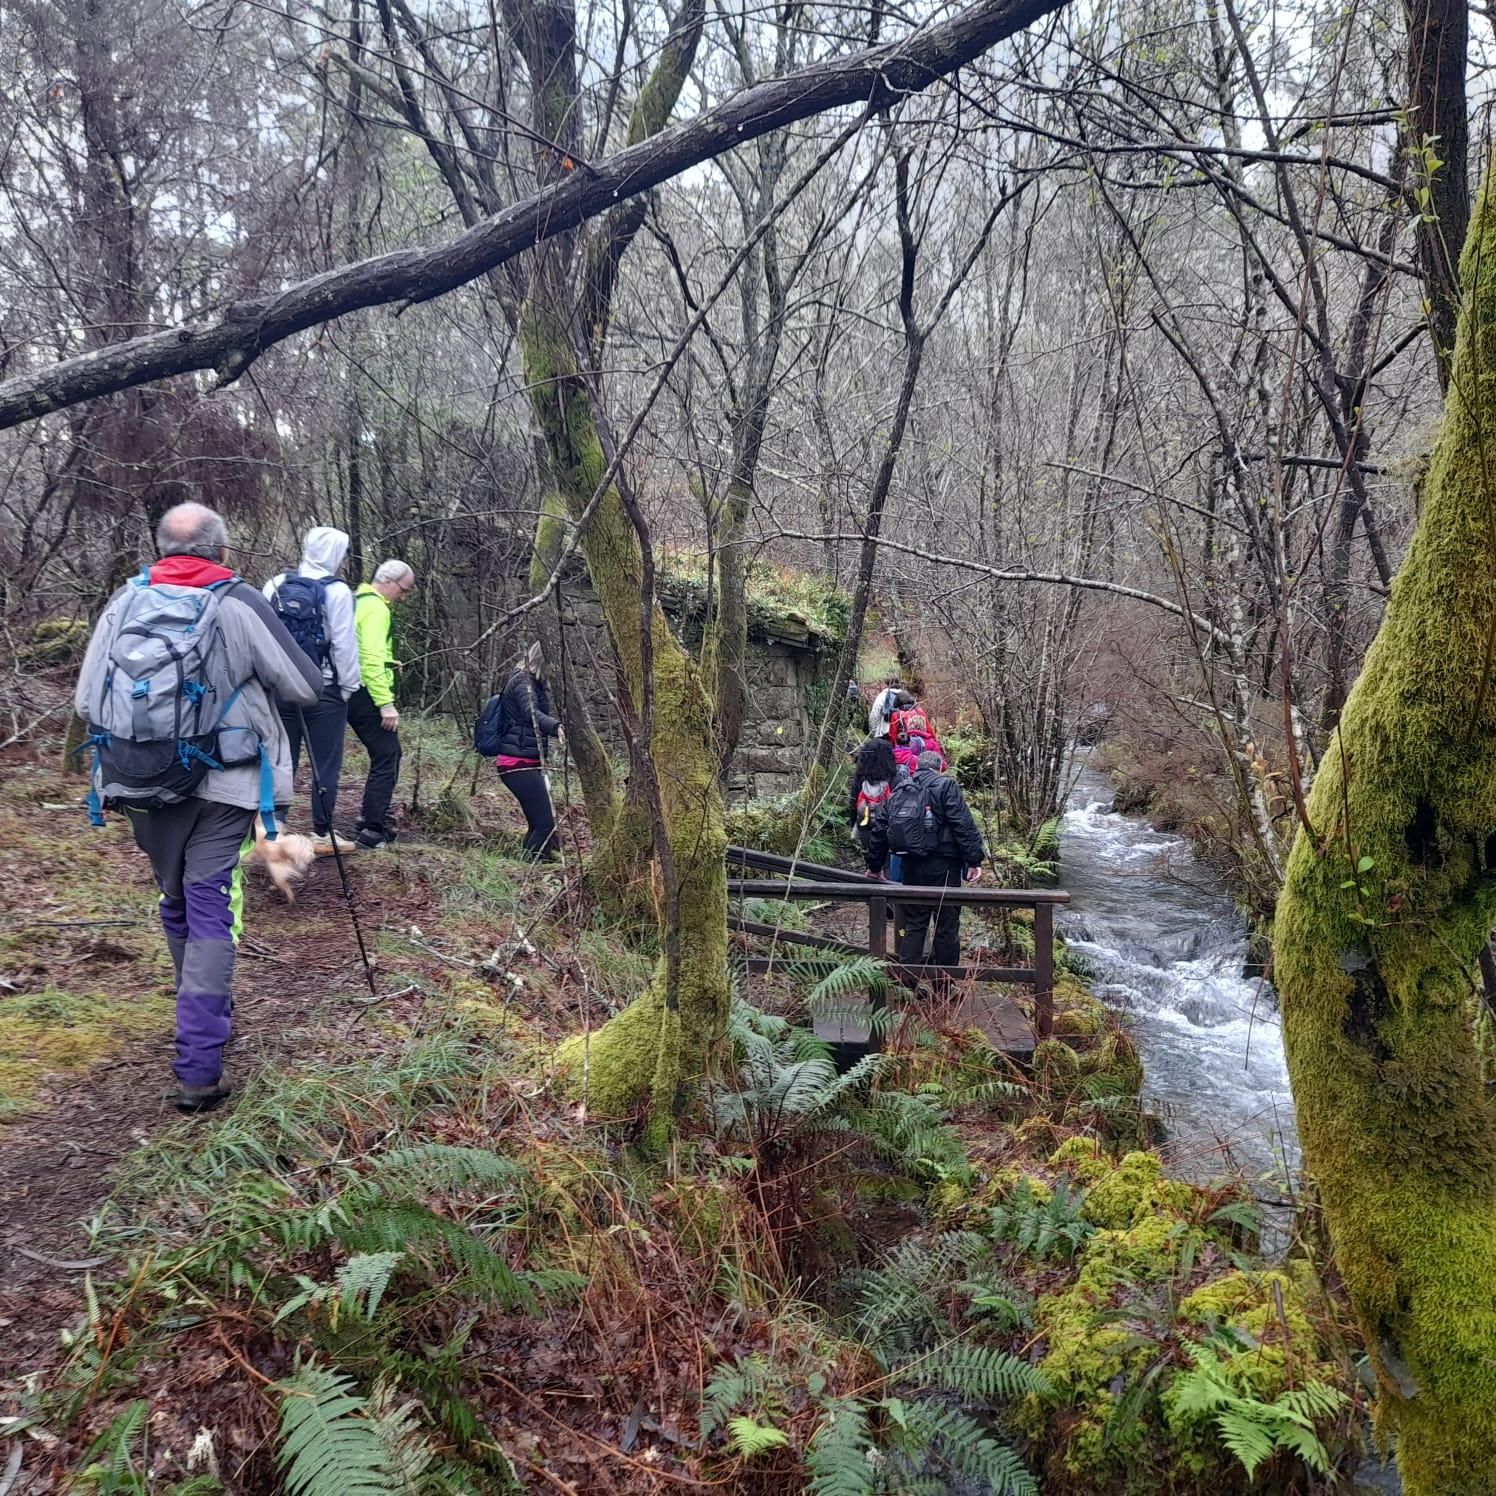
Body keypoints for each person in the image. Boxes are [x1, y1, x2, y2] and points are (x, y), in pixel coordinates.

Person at [74, 502, 322, 1111]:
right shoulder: (236, 600)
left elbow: (85, 700)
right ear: (223, 551)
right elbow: (305, 685)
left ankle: (202, 1020)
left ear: (159, 547)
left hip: (138, 782)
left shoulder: (124, 601)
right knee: (209, 903)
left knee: (178, 898)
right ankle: (199, 1062)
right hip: (226, 780)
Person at [263, 526, 361, 851]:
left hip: (280, 687)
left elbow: (261, 636)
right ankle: (322, 833)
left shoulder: (276, 584)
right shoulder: (338, 592)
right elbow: (345, 646)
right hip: (325, 690)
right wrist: (347, 688)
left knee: (280, 757)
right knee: (326, 763)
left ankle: (273, 828)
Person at [866, 749, 986, 976]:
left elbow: (880, 828)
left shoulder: (902, 789)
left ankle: (907, 985)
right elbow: (962, 823)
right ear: (940, 767)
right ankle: (944, 986)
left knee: (915, 924)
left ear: (916, 767)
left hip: (911, 865)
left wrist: (874, 867)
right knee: (946, 927)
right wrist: (973, 861)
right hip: (944, 867)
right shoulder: (946, 786)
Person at [349, 559, 415, 849]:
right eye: (403, 589)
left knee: (384, 753)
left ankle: (369, 818)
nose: (403, 597)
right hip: (365, 693)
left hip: (346, 689)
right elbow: (370, 659)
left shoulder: (355, 601)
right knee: (388, 754)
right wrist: (386, 704)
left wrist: (388, 662)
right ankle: (372, 828)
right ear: (388, 581)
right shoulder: (376, 609)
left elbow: (358, 647)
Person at [492, 642, 564, 859]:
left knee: (537, 823)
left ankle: (534, 862)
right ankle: (528, 868)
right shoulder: (524, 681)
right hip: (516, 764)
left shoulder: (533, 682)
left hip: (526, 762)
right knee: (545, 825)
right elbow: (531, 712)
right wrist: (556, 726)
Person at [849, 735, 901, 882]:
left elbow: (853, 803)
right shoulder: (895, 778)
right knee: (888, 864)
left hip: (865, 825)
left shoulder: (861, 778)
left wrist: (853, 823)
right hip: (888, 827)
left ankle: (873, 895)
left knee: (871, 861)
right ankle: (888, 899)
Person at [867, 675, 915, 740]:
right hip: (903, 734)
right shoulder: (906, 696)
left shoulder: (882, 696)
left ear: (886, 684)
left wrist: (874, 732)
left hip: (884, 732)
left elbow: (875, 715)